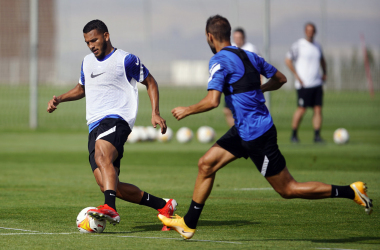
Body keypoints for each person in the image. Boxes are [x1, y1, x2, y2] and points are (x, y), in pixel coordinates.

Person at [158, 15, 372, 240]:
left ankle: (350, 191)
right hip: (244, 130)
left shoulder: (219, 60)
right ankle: (188, 224)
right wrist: (262, 90)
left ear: (209, 36)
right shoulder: (250, 55)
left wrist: (187, 110)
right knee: (206, 164)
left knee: (288, 189)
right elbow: (280, 78)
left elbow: (213, 101)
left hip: (257, 135)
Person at [47, 20, 177, 230]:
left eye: (94, 40)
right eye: (87, 42)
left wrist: (155, 113)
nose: (91, 45)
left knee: (102, 155)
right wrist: (60, 98)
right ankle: (164, 206)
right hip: (94, 125)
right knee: (108, 184)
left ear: (106, 36)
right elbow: (82, 88)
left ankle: (110, 208)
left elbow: (150, 82)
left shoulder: (125, 60)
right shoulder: (87, 62)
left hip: (119, 118)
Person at [285, 22, 327, 143]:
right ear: (305, 31)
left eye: (312, 30)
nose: (310, 32)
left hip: (316, 83)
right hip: (304, 84)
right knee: (301, 109)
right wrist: (297, 76)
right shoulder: (298, 45)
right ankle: (294, 134)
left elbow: (322, 60)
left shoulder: (317, 46)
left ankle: (317, 136)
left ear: (315, 32)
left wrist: (324, 72)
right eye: (308, 30)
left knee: (318, 109)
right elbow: (288, 60)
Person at [223, 28, 260, 127]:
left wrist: (259, 80)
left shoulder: (251, 49)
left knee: (246, 111)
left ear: (244, 38)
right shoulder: (230, 48)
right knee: (227, 110)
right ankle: (237, 134)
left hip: (248, 85)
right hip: (232, 85)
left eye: (239, 37)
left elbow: (260, 65)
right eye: (235, 38)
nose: (237, 40)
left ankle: (249, 133)